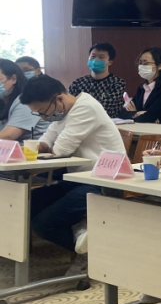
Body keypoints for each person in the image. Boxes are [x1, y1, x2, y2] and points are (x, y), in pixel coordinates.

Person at [22, 75, 126, 271]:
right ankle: (81, 231)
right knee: (29, 204)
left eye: (43, 112)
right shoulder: (63, 112)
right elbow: (46, 141)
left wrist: (44, 148)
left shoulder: (85, 108)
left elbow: (60, 150)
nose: (43, 118)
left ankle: (94, 254)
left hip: (105, 181)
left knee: (44, 224)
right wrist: (37, 146)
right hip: (79, 178)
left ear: (59, 99)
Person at [120, 47, 161, 125]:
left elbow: (148, 117)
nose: (141, 66)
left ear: (160, 66)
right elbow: (122, 113)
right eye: (140, 63)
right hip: (141, 129)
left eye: (145, 63)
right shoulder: (142, 88)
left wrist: (135, 113)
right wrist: (137, 113)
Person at [68, 42, 126, 118]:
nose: (96, 60)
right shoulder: (78, 83)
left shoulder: (117, 83)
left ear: (110, 62)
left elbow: (109, 110)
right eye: (93, 56)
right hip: (80, 121)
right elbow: (70, 107)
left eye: (101, 57)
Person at [0, 59, 50, 141]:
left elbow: (9, 135)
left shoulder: (27, 99)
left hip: (38, 147)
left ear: (13, 79)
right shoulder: (3, 100)